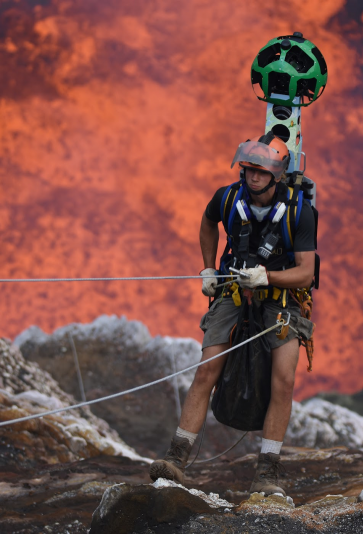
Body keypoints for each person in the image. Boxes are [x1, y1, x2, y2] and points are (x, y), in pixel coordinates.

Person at [149, 133, 316, 496]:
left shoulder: (300, 212)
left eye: (260, 171)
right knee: (208, 366)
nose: (252, 177)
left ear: (277, 175)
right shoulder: (227, 198)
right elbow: (209, 223)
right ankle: (175, 459)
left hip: (281, 300)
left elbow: (306, 272)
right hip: (232, 290)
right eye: (249, 169)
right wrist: (208, 269)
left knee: (283, 380)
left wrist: (267, 276)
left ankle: (267, 473)